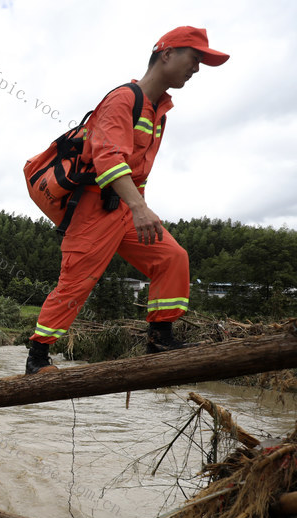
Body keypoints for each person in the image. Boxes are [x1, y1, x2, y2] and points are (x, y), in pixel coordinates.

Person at [25, 26, 229, 375]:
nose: (196, 69)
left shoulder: (158, 110)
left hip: (126, 209)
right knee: (76, 283)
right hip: (95, 207)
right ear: (167, 54)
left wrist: (138, 207)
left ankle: (160, 338)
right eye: (193, 59)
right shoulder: (124, 99)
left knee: (172, 257)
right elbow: (107, 158)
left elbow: (138, 172)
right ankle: (38, 357)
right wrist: (139, 207)